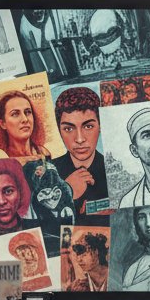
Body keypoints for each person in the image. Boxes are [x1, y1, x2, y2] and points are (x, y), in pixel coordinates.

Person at [50, 87, 110, 225]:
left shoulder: (116, 171)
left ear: (100, 126)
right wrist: (67, 191)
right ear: (59, 130)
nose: (79, 139)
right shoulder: (46, 173)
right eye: (68, 128)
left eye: (88, 126)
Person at [25, 160, 75, 257]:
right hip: (44, 244)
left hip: (61, 242)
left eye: (41, 170)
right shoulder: (33, 198)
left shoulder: (63, 193)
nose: (39, 173)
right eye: (37, 172)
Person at [0, 90, 51, 162]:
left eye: (28, 112)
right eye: (15, 114)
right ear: (3, 124)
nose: (25, 119)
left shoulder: (43, 152)